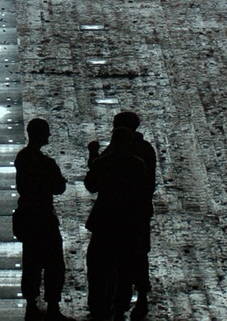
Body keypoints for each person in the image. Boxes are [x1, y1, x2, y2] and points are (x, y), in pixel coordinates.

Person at [84, 126, 152, 320]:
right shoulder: (138, 164)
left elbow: (91, 185)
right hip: (127, 225)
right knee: (124, 269)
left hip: (104, 222)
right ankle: (120, 307)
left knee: (98, 268)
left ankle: (98, 307)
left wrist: (93, 155)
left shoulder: (103, 163)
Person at [14, 118, 72, 321]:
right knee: (54, 263)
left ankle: (32, 304)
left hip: (27, 215)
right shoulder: (46, 163)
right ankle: (53, 307)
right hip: (44, 217)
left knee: (31, 262)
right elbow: (59, 187)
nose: (48, 136)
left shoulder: (22, 157)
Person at [110, 112, 157, 321]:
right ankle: (141, 298)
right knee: (139, 255)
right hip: (140, 212)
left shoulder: (117, 151)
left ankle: (119, 303)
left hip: (120, 214)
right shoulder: (146, 150)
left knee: (120, 258)